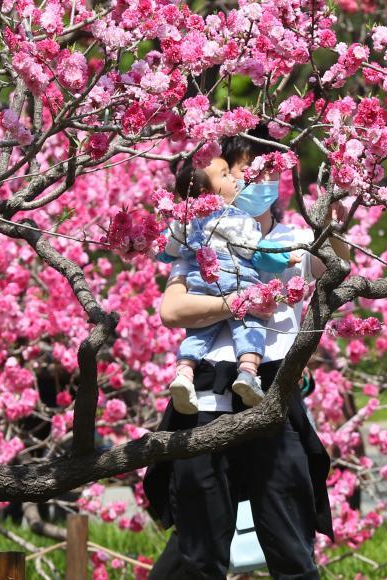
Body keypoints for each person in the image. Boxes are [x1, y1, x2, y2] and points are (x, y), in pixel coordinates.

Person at [143, 127, 352, 579]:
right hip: (203, 400)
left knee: (290, 544)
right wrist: (240, 301)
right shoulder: (199, 241)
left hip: (270, 394)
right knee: (200, 551)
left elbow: (338, 267)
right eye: (246, 169)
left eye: (270, 170)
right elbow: (173, 310)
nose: (258, 179)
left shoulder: (294, 239)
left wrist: (332, 222)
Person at [157, 155, 303, 414]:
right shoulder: (236, 217)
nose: (234, 179)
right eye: (225, 175)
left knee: (198, 333)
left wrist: (150, 247)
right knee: (250, 325)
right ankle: (247, 372)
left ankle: (184, 373)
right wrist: (284, 257)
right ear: (206, 192)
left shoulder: (185, 220)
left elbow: (167, 248)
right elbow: (254, 249)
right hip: (236, 278)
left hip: (201, 282)